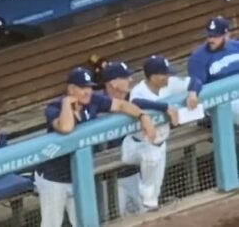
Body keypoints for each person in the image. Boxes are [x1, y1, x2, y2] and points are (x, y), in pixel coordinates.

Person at [34, 67, 157, 227]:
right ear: (71, 89)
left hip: (79, 176)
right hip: (54, 178)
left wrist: (142, 116)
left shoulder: (93, 101)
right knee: (52, 224)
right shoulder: (54, 108)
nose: (88, 92)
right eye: (82, 88)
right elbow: (65, 128)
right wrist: (67, 104)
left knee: (84, 223)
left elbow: (121, 105)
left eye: (89, 87)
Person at [98, 61, 183, 215]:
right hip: (108, 177)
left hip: (137, 170)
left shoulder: (136, 96)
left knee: (147, 214)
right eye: (125, 77)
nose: (130, 80)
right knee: (111, 219)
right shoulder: (98, 104)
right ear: (113, 83)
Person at [119, 56, 200, 213]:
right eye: (164, 74)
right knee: (151, 157)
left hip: (160, 142)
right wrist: (165, 107)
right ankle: (145, 201)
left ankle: (150, 209)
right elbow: (136, 102)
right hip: (136, 145)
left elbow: (195, 82)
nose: (168, 77)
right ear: (153, 76)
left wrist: (193, 94)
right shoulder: (139, 90)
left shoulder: (170, 83)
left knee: (154, 191)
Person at [188, 16, 239, 116]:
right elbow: (196, 79)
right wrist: (193, 91)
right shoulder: (199, 56)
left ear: (227, 35)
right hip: (223, 101)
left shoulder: (236, 47)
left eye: (216, 36)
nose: (211, 40)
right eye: (209, 36)